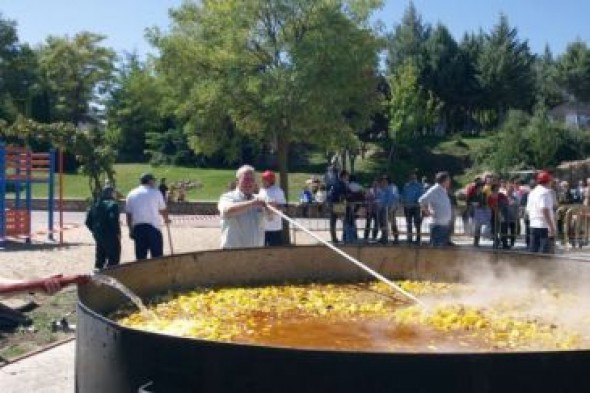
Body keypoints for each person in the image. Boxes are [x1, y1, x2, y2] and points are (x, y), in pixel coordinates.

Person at [218, 165, 270, 249]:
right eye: (246, 179)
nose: (249, 183)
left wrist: (271, 208)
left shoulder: (259, 199)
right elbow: (227, 211)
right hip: (233, 253)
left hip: (256, 253)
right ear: (237, 181)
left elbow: (271, 218)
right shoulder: (227, 197)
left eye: (252, 180)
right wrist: (252, 203)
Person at [126, 173, 170, 260]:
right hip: (153, 229)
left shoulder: (131, 193)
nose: (155, 182)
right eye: (154, 180)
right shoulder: (156, 192)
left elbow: (128, 215)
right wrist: (166, 219)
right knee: (157, 257)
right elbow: (163, 210)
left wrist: (130, 230)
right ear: (149, 181)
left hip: (138, 229)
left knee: (141, 258)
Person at [85, 186, 121, 270]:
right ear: (111, 193)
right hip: (110, 235)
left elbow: (87, 222)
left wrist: (95, 231)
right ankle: (112, 276)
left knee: (100, 258)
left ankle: (97, 277)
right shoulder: (113, 205)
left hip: (98, 235)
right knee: (113, 258)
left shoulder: (95, 204)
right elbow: (113, 221)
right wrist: (118, 233)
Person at [418, 171, 453, 247]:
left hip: (444, 225)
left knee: (441, 250)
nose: (449, 181)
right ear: (444, 180)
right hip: (438, 225)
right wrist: (428, 212)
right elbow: (421, 200)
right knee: (436, 250)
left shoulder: (443, 190)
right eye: (448, 180)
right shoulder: (435, 189)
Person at [526, 171, 557, 253]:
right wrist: (551, 226)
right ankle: (541, 266)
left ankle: (531, 265)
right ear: (548, 181)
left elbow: (528, 209)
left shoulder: (532, 192)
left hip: (533, 224)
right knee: (544, 252)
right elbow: (544, 209)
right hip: (544, 225)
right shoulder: (545, 192)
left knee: (533, 250)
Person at [258, 170, 287, 246]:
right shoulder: (261, 190)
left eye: (265, 179)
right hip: (262, 227)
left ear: (270, 181)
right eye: (262, 179)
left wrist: (275, 206)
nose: (262, 181)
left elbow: (284, 207)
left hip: (274, 227)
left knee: (275, 250)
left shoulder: (278, 191)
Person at [402, 171, 424, 244]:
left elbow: (421, 195)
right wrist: (404, 202)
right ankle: (409, 238)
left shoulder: (419, 186)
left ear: (416, 178)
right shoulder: (406, 186)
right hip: (407, 207)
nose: (413, 178)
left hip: (416, 207)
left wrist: (416, 202)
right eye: (411, 177)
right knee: (408, 223)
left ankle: (418, 239)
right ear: (409, 178)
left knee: (417, 223)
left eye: (414, 177)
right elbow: (403, 195)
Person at [326, 170, 348, 243]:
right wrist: (343, 205)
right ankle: (345, 237)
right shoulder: (342, 184)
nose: (347, 178)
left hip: (331, 203)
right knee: (344, 222)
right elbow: (342, 196)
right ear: (343, 176)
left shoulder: (334, 183)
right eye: (346, 176)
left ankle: (334, 238)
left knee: (332, 222)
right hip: (339, 204)